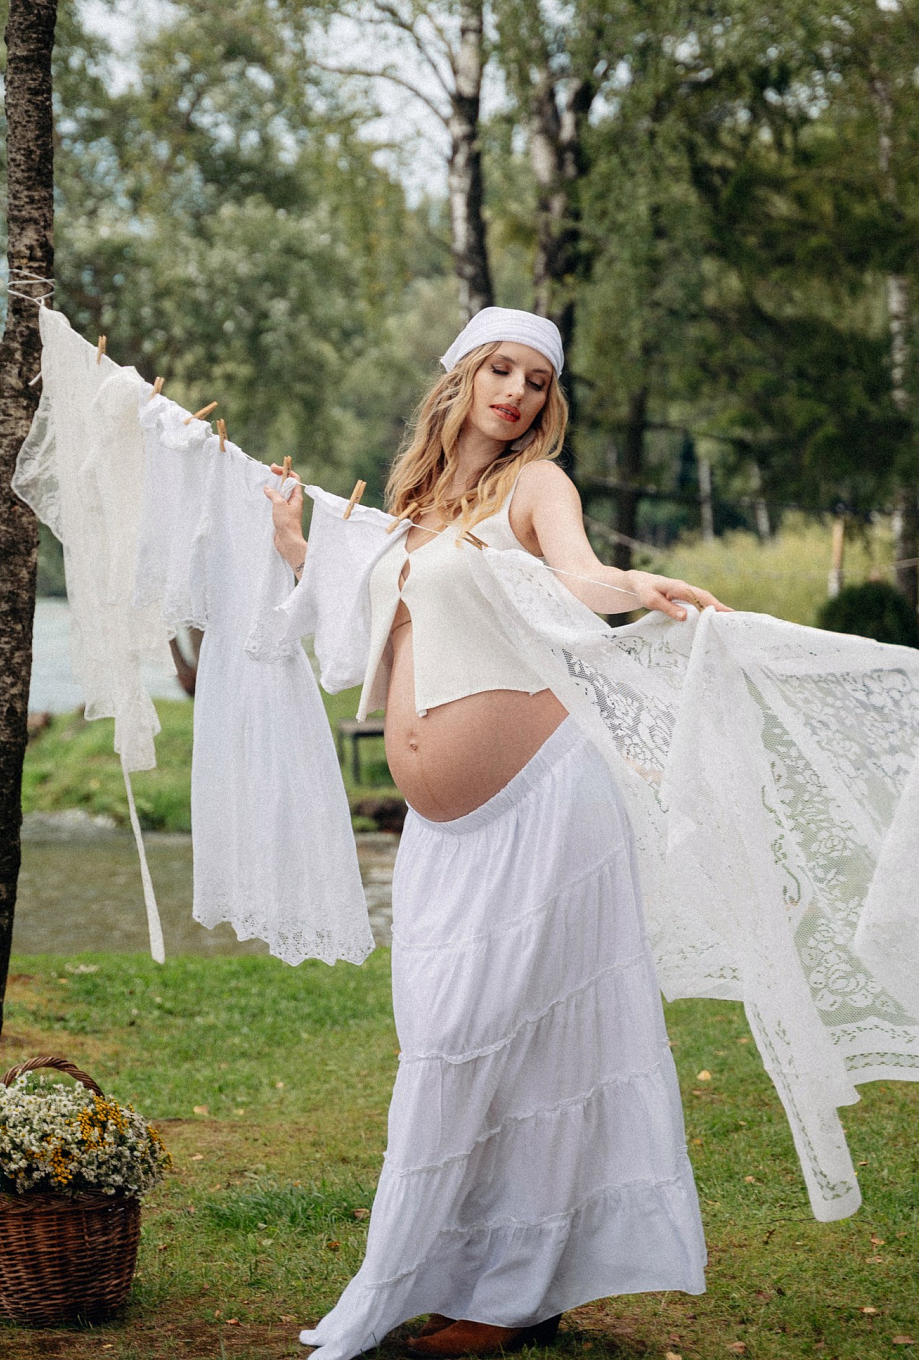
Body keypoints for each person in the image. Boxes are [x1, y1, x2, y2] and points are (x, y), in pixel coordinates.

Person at [263, 307, 730, 1360]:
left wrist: (633, 588)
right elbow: (368, 633)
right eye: (501, 371)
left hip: (543, 802)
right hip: (446, 834)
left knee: (516, 1046)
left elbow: (576, 575)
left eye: (536, 380)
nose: (516, 393)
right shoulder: (415, 507)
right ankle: (483, 1278)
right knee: (451, 1038)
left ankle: (510, 1297)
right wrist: (297, 546)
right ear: (463, 377)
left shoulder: (536, 486)